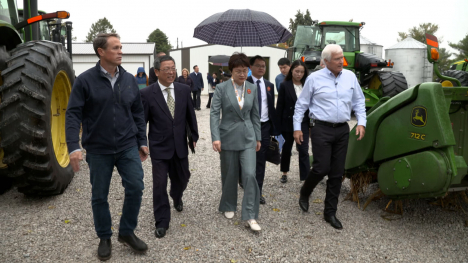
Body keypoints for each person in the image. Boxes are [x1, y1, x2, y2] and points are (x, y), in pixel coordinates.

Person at [65, 33, 148, 261]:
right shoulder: (84, 81)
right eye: (115, 48)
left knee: (136, 186)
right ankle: (104, 236)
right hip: (99, 149)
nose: (121, 51)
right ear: (101, 52)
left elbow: (138, 112)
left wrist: (142, 141)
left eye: (121, 47)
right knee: (99, 195)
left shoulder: (130, 79)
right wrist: (73, 146)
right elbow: (73, 114)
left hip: (126, 145)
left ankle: (126, 231)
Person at [293, 44, 366, 230]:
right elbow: (301, 105)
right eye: (336, 59)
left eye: (341, 58)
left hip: (342, 129)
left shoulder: (350, 77)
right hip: (320, 128)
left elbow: (359, 100)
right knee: (321, 168)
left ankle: (330, 212)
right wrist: (297, 128)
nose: (341, 61)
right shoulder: (314, 79)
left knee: (337, 172)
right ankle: (305, 191)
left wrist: (361, 122)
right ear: (325, 62)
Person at [140, 55, 199, 238]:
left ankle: (176, 195)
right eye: (166, 69)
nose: (171, 72)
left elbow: (190, 116)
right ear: (156, 72)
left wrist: (194, 136)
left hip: (180, 145)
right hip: (159, 146)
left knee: (182, 178)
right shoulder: (148, 94)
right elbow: (142, 122)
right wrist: (142, 143)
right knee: (159, 184)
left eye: (173, 68)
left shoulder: (183, 90)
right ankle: (162, 221)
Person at [210, 52, 262, 231]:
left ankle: (250, 214)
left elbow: (255, 115)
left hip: (248, 137)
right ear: (231, 71)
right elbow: (214, 113)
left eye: (245, 71)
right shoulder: (221, 88)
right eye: (238, 71)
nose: (242, 74)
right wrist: (215, 137)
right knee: (229, 173)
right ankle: (228, 204)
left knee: (249, 174)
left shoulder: (252, 88)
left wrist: (258, 137)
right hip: (227, 136)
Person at [245, 55, 278, 205]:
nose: (261, 68)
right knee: (244, 157)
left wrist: (274, 129)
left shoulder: (269, 85)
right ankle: (242, 179)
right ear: (250, 68)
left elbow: (271, 107)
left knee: (260, 160)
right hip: (247, 126)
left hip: (264, 126)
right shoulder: (244, 84)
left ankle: (257, 191)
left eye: (263, 66)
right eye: (258, 65)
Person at [276, 60, 310, 184]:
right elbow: (280, 106)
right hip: (287, 122)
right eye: (297, 71)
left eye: (302, 71)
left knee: (303, 150)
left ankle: (305, 177)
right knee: (286, 149)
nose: (299, 74)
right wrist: (277, 126)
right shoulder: (285, 85)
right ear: (292, 71)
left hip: (303, 122)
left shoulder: (307, 84)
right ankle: (284, 172)